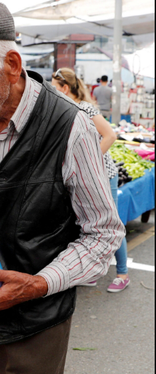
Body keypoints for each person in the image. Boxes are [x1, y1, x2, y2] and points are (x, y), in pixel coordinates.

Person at [0, 2, 124, 374]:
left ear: (12, 66)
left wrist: (39, 284)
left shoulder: (71, 127)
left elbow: (104, 234)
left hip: (37, 323)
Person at [52, 68, 129, 292]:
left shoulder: (84, 108)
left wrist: (89, 163)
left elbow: (110, 135)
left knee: (109, 223)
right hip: (83, 178)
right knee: (86, 222)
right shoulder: (63, 110)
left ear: (65, 88)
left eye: (55, 89)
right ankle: (93, 271)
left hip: (105, 175)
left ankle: (122, 273)